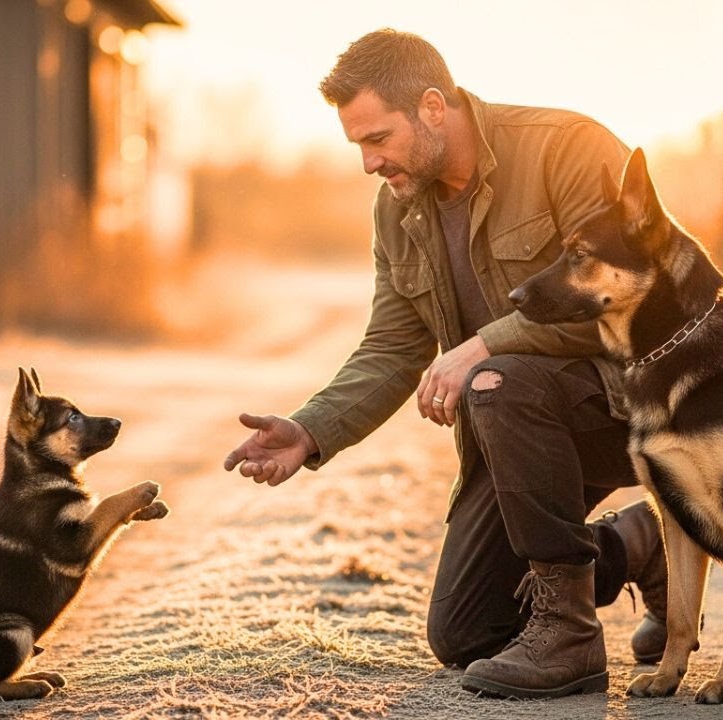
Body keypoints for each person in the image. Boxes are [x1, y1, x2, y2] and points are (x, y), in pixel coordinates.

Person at [223, 28, 667, 700]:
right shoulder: (397, 210)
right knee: (466, 632)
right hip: (517, 429)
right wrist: (311, 430)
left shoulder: (564, 148)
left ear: (434, 107)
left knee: (495, 378)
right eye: (358, 146)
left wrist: (484, 345)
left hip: (629, 408)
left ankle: (571, 636)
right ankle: (635, 547)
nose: (369, 163)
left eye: (378, 140)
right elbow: (393, 347)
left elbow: (627, 295)